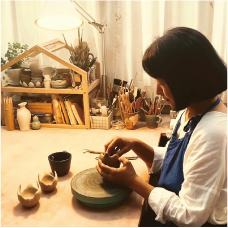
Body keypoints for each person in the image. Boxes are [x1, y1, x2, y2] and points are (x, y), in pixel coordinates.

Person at [96, 27, 228, 227]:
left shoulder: (213, 134)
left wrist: (132, 181)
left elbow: (189, 216)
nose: (157, 91)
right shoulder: (192, 110)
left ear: (187, 81)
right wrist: (137, 146)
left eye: (163, 83)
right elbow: (182, 162)